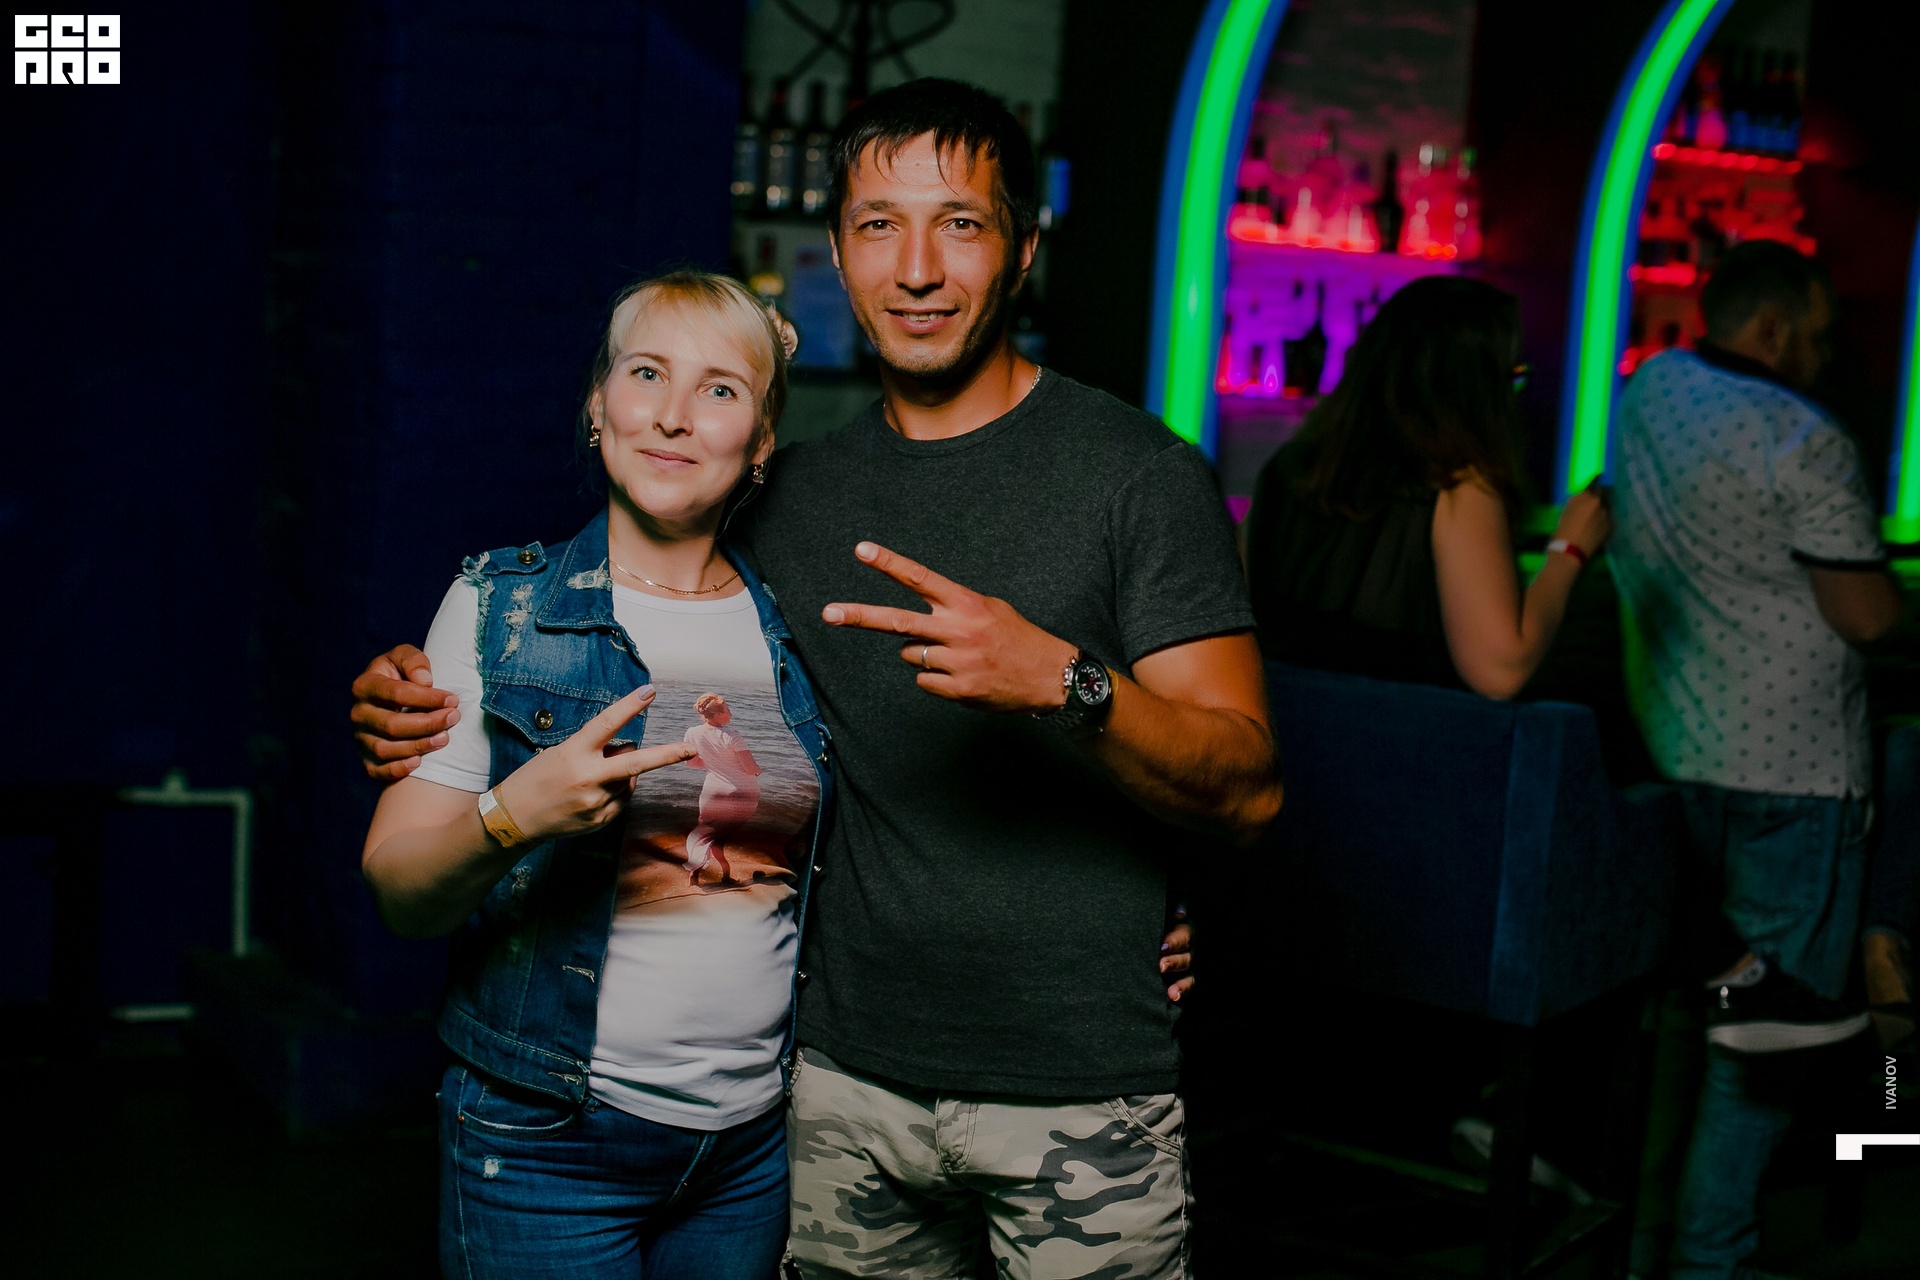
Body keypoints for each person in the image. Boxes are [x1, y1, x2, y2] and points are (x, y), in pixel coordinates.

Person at [353, 79, 1257, 1277]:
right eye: (881, 224)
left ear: (1025, 249)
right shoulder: (781, 504)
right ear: (838, 250)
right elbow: (601, 619)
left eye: (961, 224)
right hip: (835, 1096)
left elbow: (1247, 783)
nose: (918, 268)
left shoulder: (1140, 475)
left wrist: (1070, 686)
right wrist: (419, 700)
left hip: (1078, 1088)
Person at [361, 270, 828, 1278]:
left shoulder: (797, 630)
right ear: (597, 404)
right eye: (646, 372)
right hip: (546, 1142)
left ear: (761, 441)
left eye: (719, 388)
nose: (672, 413)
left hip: (750, 1150)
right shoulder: (501, 608)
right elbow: (400, 892)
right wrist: (510, 815)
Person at [1609, 240, 1903, 1280]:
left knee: (1684, 1032)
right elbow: (1867, 615)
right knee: (1765, 1058)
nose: (1823, 357)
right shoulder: (1804, 435)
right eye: (1816, 336)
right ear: (1773, 328)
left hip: (1675, 759)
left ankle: (1647, 1255)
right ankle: (1713, 1266)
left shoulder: (1650, 392)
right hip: (1797, 781)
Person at [1245, 275, 1611, 699]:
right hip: (1400, 736)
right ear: (1476, 389)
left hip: (1286, 730)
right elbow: (1501, 670)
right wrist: (1569, 549)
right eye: (1512, 377)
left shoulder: (1287, 470)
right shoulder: (1457, 484)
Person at [684, 692, 760, 886]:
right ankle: (725, 874)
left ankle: (695, 874)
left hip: (711, 791)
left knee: (704, 834)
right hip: (741, 793)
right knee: (720, 837)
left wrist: (715, 765)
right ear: (717, 714)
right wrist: (758, 770)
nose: (731, 714)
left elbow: (691, 763)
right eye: (727, 710)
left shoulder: (692, 732)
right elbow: (750, 769)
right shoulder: (732, 736)